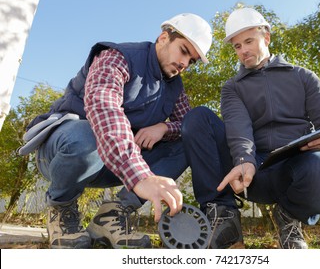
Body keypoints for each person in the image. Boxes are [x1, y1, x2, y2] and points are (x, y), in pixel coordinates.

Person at [21, 13, 212, 249]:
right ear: (164, 38)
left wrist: (163, 127)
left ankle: (112, 216)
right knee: (88, 135)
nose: (185, 64)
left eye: (191, 61)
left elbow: (187, 125)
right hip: (64, 152)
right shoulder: (116, 57)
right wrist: (140, 176)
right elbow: (104, 110)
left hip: (112, 163)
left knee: (186, 144)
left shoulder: (175, 87)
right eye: (184, 50)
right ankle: (61, 209)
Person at [181, 7, 320, 249]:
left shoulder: (304, 77)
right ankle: (224, 216)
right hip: (252, 172)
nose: (243, 51)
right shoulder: (233, 88)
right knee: (198, 118)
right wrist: (243, 159)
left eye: (248, 41)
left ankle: (289, 217)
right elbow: (238, 126)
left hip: (297, 167)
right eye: (237, 46)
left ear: (266, 37)